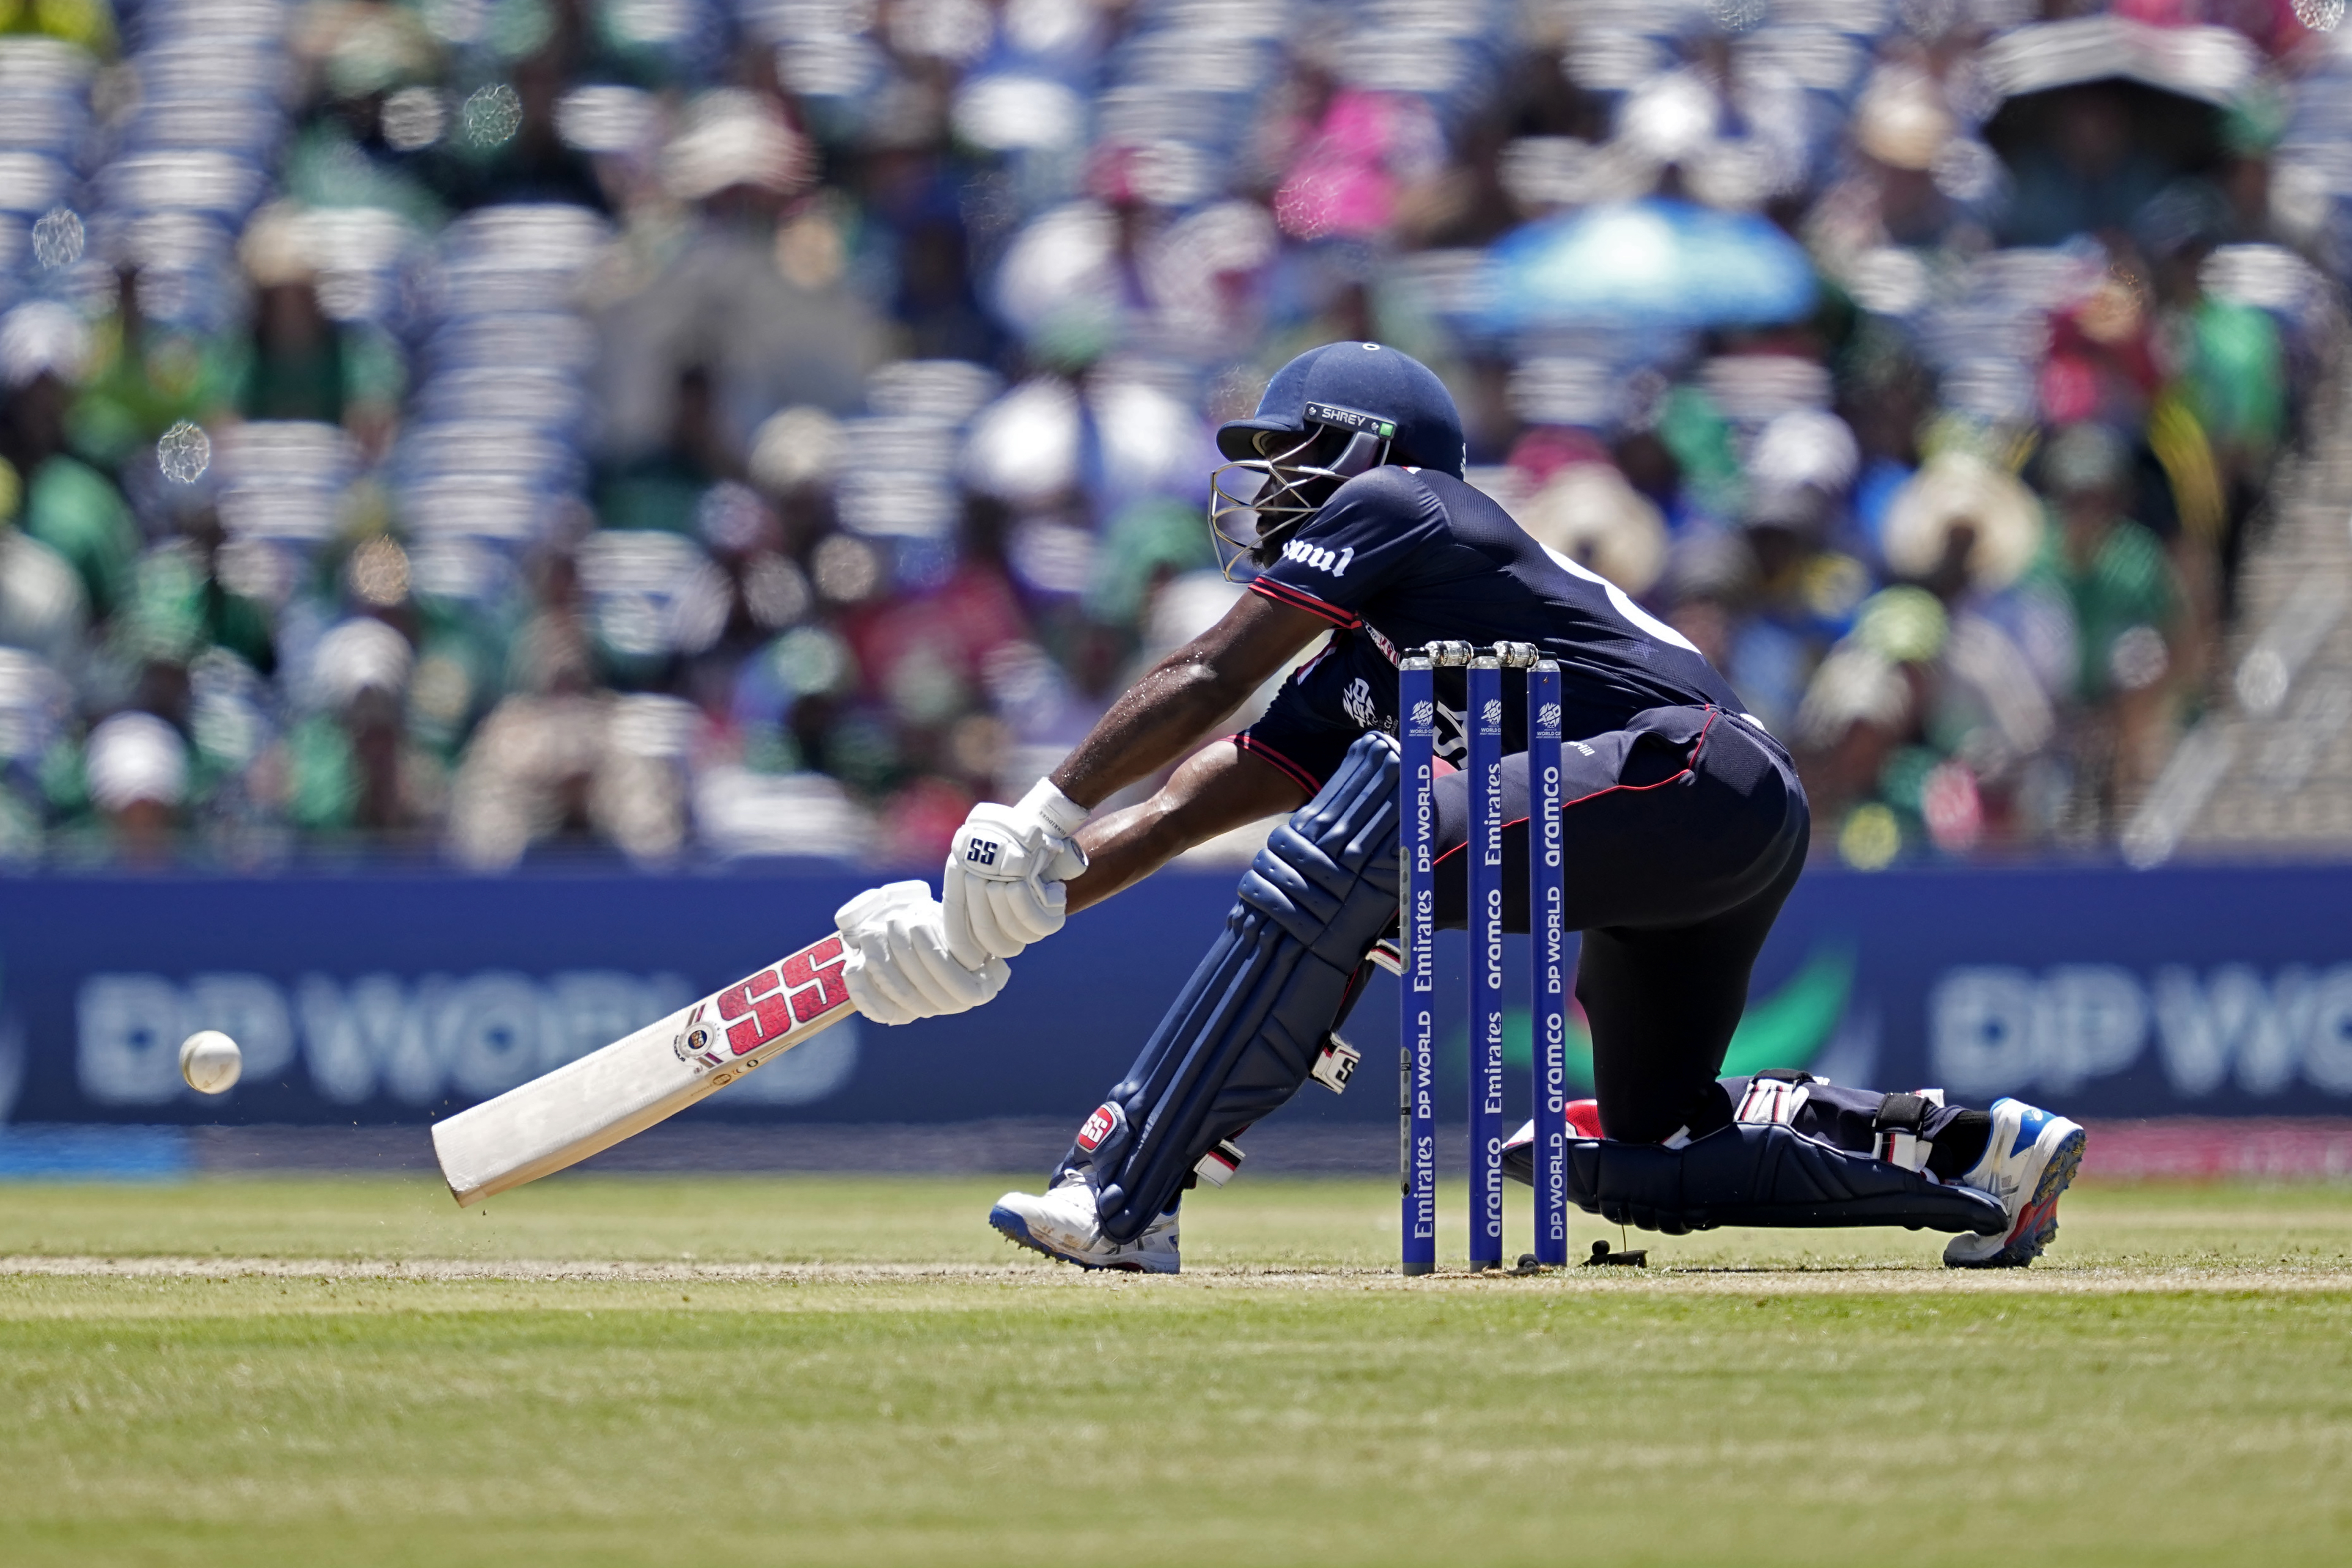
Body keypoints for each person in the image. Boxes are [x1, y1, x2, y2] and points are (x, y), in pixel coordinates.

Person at [834, 342, 2086, 1273]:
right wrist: (1004, 908)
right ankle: (1979, 1161)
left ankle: (1125, 1186)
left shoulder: (1404, 506)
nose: (1268, 487)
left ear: (1367, 449)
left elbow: (1212, 671)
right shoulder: (1381, 637)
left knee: (1361, 839)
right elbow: (1201, 791)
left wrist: (1043, 800)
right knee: (1642, 1151)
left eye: (1290, 454)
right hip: (1718, 817)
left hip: (1685, 770)